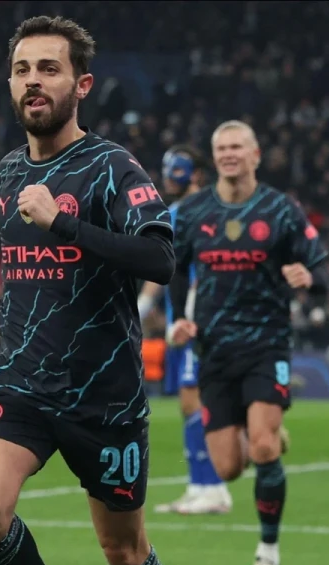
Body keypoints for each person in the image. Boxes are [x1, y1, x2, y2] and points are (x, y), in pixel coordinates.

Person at [0, 16, 177, 565]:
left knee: (126, 553)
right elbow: (26, 267)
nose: (33, 82)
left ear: (81, 84)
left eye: (48, 69)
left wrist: (65, 219)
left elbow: (160, 258)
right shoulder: (11, 169)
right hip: (23, 381)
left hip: (103, 394)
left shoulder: (111, 166)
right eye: (23, 70)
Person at [166, 120, 329, 565]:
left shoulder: (282, 210)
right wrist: (180, 317)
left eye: (237, 146)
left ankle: (268, 553)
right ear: (214, 157)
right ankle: (269, 434)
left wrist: (309, 280)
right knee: (228, 467)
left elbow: (322, 271)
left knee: (260, 447)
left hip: (265, 345)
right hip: (213, 350)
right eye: (221, 148)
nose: (229, 154)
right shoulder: (195, 210)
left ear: (256, 154)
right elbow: (176, 269)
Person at [137, 145, 233, 515]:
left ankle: (211, 487)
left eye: (175, 169)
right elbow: (163, 270)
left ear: (195, 174)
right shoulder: (175, 213)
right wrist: (142, 308)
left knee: (195, 400)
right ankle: (202, 486)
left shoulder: (206, 212)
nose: (167, 176)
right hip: (181, 323)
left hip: (201, 322)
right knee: (188, 402)